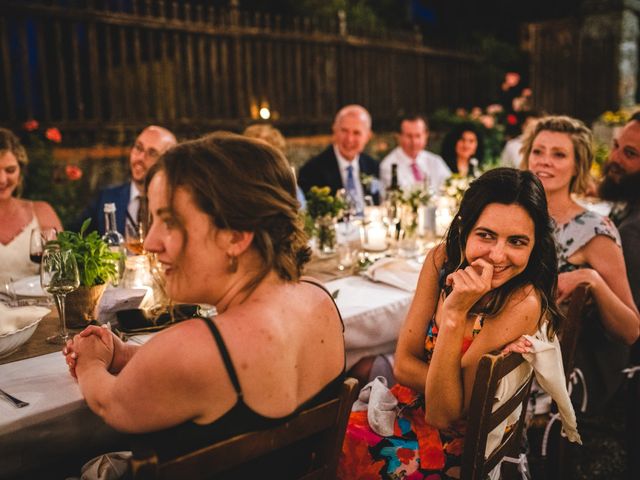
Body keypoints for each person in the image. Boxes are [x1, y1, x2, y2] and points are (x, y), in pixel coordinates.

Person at [63, 133, 345, 474]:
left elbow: (110, 404)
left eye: (168, 221)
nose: (151, 242)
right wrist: (127, 355)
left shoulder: (197, 345)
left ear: (236, 236)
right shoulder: (319, 299)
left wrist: (90, 362)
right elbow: (224, 372)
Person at [339, 168, 562, 478]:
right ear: (464, 230)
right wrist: (447, 387)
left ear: (535, 245)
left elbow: (444, 415)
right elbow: (403, 364)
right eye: (485, 235)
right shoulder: (440, 260)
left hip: (460, 445)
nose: (498, 255)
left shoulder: (521, 303)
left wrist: (455, 314)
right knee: (332, 439)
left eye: (517, 241)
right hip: (408, 407)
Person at [521, 115, 640, 413]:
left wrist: (592, 280)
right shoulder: (512, 216)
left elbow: (630, 330)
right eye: (538, 151)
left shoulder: (594, 230)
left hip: (538, 372)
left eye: (559, 154)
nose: (545, 161)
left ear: (578, 166)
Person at [598, 112, 640, 478]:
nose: (614, 159)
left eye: (630, 154)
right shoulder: (626, 205)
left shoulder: (632, 233)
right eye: (616, 147)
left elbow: (627, 327)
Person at [74, 125, 176, 235]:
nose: (140, 158)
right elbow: (73, 234)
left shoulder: (175, 202)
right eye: (138, 148)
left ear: (168, 163)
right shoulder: (106, 198)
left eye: (152, 153)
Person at [0, 128, 62, 284]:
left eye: (10, 170)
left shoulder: (42, 212)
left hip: (39, 308)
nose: (2, 179)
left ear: (20, 173)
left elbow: (62, 270)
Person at [298, 104, 380, 212]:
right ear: (334, 130)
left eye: (356, 133)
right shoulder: (312, 171)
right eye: (344, 131)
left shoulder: (373, 166)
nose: (349, 139)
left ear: (368, 136)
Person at [379, 115, 451, 193]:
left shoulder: (435, 161)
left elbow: (450, 186)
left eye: (418, 136)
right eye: (409, 136)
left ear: (426, 135)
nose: (414, 142)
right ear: (399, 136)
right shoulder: (388, 165)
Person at [242, 123, 306, 209]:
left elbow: (300, 212)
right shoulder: (240, 185)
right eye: (253, 151)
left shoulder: (286, 183)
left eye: (266, 153)